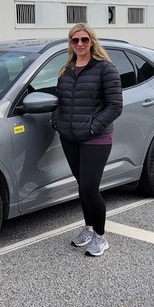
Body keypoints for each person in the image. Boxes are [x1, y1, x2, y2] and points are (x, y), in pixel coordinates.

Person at [52, 23, 123, 257]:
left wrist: (93, 128)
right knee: (82, 187)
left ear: (92, 41)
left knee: (90, 188)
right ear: (70, 43)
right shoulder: (67, 70)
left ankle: (101, 237)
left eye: (84, 39)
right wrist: (58, 122)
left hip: (96, 139)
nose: (80, 44)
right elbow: (60, 101)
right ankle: (89, 227)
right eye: (75, 40)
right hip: (70, 138)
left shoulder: (105, 68)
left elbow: (115, 106)